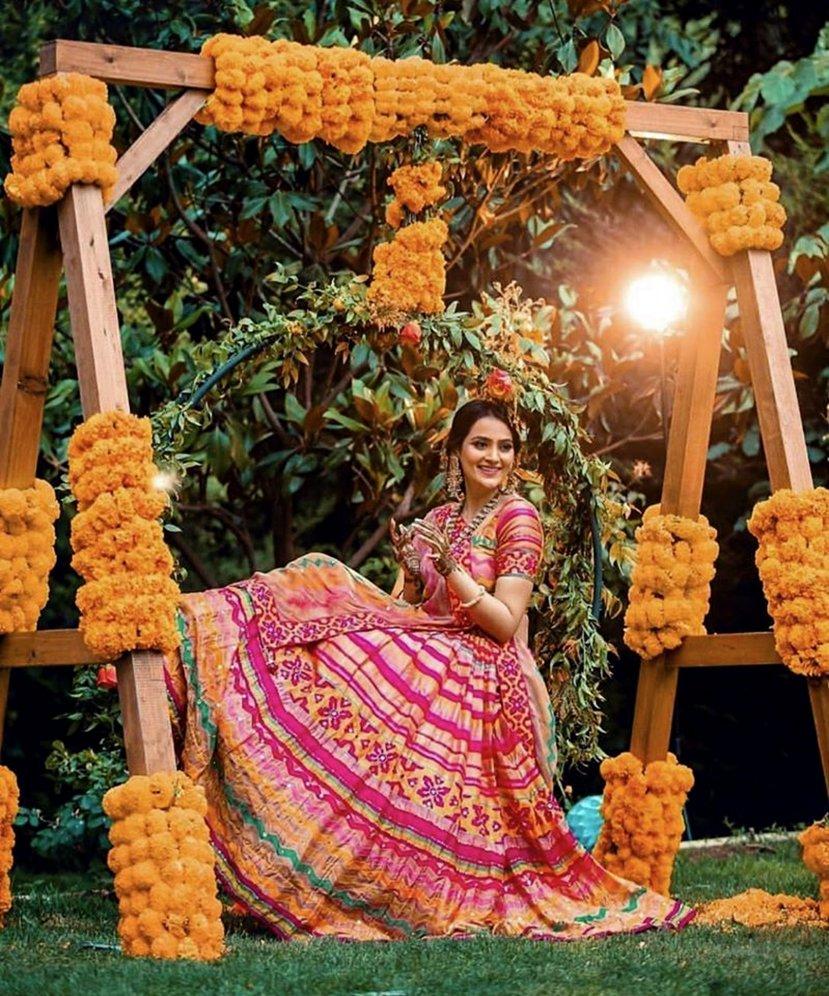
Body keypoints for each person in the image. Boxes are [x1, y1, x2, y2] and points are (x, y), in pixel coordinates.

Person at [164, 397, 697, 940]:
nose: (494, 456)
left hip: (488, 667)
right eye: (480, 444)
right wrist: (412, 576)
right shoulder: (438, 520)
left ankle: (417, 890)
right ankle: (198, 629)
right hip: (432, 647)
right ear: (456, 453)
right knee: (324, 593)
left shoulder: (520, 520)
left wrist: (453, 571)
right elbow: (409, 610)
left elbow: (506, 623)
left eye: (505, 446)